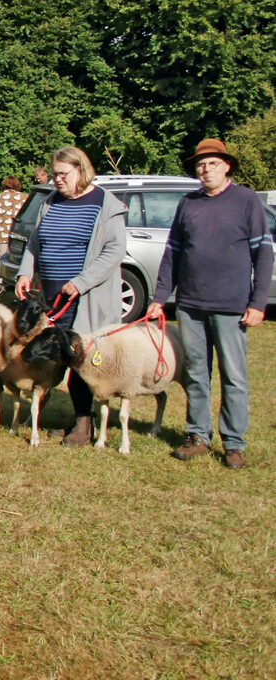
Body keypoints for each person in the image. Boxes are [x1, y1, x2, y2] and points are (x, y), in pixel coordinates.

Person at [146, 138, 273, 469]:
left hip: (232, 307)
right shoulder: (188, 203)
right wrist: (160, 298)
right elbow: (172, 254)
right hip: (190, 305)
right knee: (196, 373)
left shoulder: (246, 201)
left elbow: (263, 254)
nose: (205, 169)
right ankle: (198, 436)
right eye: (200, 164)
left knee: (233, 376)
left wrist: (258, 302)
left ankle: (234, 443)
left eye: (212, 163)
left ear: (226, 165)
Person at [15, 146, 126, 446]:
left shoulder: (106, 204)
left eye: (63, 174)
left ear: (82, 170)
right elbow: (35, 242)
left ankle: (83, 425)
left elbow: (115, 251)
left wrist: (81, 281)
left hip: (86, 296)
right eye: (54, 174)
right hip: (53, 295)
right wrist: (26, 272)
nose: (57, 180)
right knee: (59, 355)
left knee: (82, 357)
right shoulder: (50, 202)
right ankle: (65, 415)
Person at [0, 176, 28, 258]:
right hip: (20, 234)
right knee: (17, 259)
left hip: (3, 234)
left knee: (3, 259)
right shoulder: (25, 198)